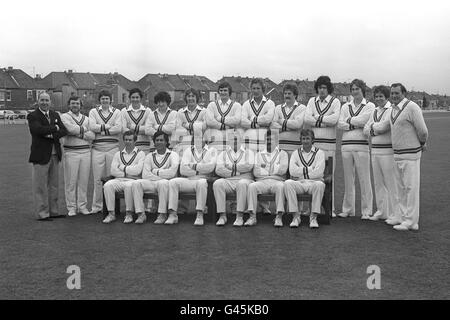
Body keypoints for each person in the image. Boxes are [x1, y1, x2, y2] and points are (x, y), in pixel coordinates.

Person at [389, 83, 428, 231]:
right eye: (392, 93)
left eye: (397, 93)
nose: (394, 96)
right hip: (397, 155)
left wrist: (422, 143)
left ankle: (411, 222)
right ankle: (403, 217)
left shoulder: (412, 107)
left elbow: (423, 131)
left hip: (411, 155)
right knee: (401, 189)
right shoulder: (392, 109)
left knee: (411, 188)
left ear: (404, 93)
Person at [337, 79, 375, 219]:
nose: (354, 92)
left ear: (362, 90)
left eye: (357, 89)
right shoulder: (345, 106)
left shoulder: (370, 105)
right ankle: (348, 209)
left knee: (364, 179)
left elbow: (365, 120)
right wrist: (355, 123)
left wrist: (349, 121)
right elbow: (339, 124)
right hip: (346, 146)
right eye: (352, 89)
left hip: (362, 146)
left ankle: (366, 211)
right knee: (348, 179)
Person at [27, 91, 67, 220]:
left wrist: (51, 133)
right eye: (42, 100)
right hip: (40, 155)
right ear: (38, 101)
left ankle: (54, 211)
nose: (44, 102)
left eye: (47, 100)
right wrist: (54, 128)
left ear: (50, 102)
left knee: (54, 185)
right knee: (40, 186)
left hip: (55, 154)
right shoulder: (33, 116)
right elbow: (37, 130)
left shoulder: (55, 114)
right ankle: (42, 213)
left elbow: (64, 130)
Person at [304, 76, 341, 217]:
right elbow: (307, 118)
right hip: (315, 147)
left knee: (329, 178)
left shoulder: (335, 101)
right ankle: (311, 208)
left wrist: (317, 118)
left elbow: (334, 120)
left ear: (328, 88)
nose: (322, 90)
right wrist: (325, 119)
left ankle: (330, 210)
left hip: (329, 146)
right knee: (312, 177)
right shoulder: (311, 101)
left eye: (324, 87)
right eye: (319, 87)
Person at [363, 85, 400, 224]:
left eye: (381, 96)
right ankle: (381, 211)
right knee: (378, 183)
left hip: (388, 151)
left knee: (391, 183)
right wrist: (374, 128)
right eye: (376, 96)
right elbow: (365, 130)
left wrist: (372, 127)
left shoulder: (391, 110)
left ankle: (395, 214)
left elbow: (385, 126)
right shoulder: (374, 110)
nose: (378, 99)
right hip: (375, 150)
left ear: (387, 97)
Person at [131, 131, 179, 224]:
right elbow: (145, 174)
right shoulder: (149, 155)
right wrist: (162, 176)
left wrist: (155, 171)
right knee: (136, 183)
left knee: (163, 183)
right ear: (154, 142)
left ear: (166, 142)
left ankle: (162, 214)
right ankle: (141, 214)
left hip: (166, 184)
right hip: (153, 182)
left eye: (161, 140)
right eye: (157, 140)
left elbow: (172, 173)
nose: (159, 142)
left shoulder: (173, 155)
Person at [167, 138, 217, 226]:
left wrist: (192, 166)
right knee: (173, 182)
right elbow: (183, 170)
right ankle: (173, 214)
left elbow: (210, 167)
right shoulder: (188, 150)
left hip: (203, 179)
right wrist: (200, 170)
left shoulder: (212, 150)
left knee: (202, 183)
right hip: (189, 179)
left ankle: (199, 214)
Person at [88, 90, 123, 214]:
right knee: (97, 179)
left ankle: (110, 206)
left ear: (110, 100)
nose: (105, 101)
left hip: (113, 148)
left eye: (107, 99)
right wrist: (109, 126)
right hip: (97, 149)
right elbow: (92, 126)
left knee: (111, 179)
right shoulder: (93, 111)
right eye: (103, 99)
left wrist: (101, 129)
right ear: (100, 100)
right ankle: (97, 206)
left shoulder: (117, 112)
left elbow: (119, 128)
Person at [284, 129, 325, 228]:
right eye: (303, 139)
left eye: (308, 138)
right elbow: (292, 171)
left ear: (312, 140)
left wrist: (301, 172)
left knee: (320, 184)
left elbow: (319, 173)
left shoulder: (320, 153)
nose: (305, 141)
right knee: (288, 183)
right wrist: (311, 169)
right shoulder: (295, 153)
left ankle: (313, 217)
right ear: (300, 140)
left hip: (314, 184)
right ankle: (296, 216)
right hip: (300, 184)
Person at [60, 96, 94, 216]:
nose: (75, 105)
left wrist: (78, 133)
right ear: (69, 105)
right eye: (73, 103)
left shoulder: (87, 118)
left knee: (83, 181)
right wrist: (84, 130)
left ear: (81, 105)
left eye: (77, 103)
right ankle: (71, 207)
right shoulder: (64, 116)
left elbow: (92, 136)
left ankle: (82, 206)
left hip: (85, 152)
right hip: (71, 152)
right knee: (70, 181)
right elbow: (69, 129)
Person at [102, 131, 146, 224]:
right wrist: (128, 173)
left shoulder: (141, 154)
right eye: (126, 139)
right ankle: (111, 214)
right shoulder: (118, 154)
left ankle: (129, 213)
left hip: (134, 181)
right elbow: (113, 171)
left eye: (130, 140)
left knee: (128, 186)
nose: (128, 141)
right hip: (119, 180)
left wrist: (122, 168)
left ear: (135, 141)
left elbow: (137, 171)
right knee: (107, 185)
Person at [213, 132, 255, 226]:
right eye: (232, 139)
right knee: (217, 183)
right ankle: (222, 216)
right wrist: (237, 172)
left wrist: (229, 167)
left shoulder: (249, 152)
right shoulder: (223, 153)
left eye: (236, 139)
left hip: (246, 180)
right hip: (229, 181)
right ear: (229, 141)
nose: (234, 141)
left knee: (242, 183)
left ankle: (239, 216)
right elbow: (219, 169)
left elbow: (248, 166)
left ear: (241, 140)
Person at [247, 137, 289, 227]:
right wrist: (275, 168)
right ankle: (252, 216)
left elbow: (283, 170)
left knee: (281, 187)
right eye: (267, 139)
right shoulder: (259, 154)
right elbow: (256, 172)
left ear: (276, 141)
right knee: (252, 186)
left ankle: (279, 216)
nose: (269, 142)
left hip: (277, 181)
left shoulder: (282, 154)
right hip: (262, 181)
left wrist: (265, 168)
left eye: (272, 139)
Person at [204, 81, 243, 153]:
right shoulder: (212, 105)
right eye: (221, 90)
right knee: (214, 161)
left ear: (229, 92)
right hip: (215, 140)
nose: (223, 92)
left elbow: (236, 120)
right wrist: (224, 126)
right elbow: (209, 121)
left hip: (230, 140)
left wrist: (219, 119)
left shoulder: (236, 105)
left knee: (229, 161)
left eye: (225, 90)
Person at [270, 82, 306, 155]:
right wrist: (289, 128)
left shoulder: (302, 108)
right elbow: (272, 126)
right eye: (285, 93)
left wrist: (281, 121)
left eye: (289, 93)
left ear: (295, 95)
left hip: (296, 148)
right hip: (279, 148)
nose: (287, 96)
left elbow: (297, 125)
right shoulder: (278, 108)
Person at [241, 78, 275, 152]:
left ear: (263, 89)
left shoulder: (270, 103)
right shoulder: (246, 104)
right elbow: (243, 121)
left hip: (264, 143)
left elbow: (268, 119)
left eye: (258, 88)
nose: (255, 91)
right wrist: (256, 125)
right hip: (249, 143)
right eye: (253, 88)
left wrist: (252, 119)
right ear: (251, 89)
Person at [174, 88, 207, 158]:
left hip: (200, 144)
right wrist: (197, 127)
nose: (190, 98)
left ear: (197, 98)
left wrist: (187, 126)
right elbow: (179, 131)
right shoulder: (180, 112)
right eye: (189, 96)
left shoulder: (204, 111)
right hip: (184, 144)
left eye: (193, 96)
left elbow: (205, 127)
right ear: (186, 98)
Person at [121, 88, 151, 153]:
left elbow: (148, 129)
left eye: (137, 97)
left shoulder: (147, 110)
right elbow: (123, 130)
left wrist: (132, 127)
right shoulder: (124, 111)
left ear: (140, 98)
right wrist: (141, 129)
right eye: (133, 97)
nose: (135, 99)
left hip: (145, 146)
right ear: (130, 98)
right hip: (130, 146)